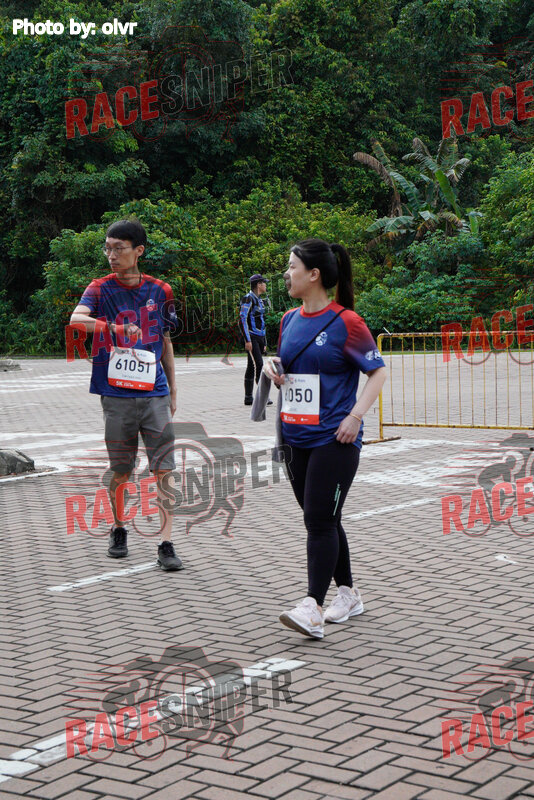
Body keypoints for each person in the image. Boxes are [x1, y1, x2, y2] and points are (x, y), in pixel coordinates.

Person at [263, 239, 387, 639]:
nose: (286, 273)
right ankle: (348, 594)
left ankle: (312, 607)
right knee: (323, 519)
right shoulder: (288, 319)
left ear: (314, 274)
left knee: (318, 521)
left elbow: (378, 372)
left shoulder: (347, 322)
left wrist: (355, 416)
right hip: (294, 437)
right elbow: (291, 369)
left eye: (291, 266)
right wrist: (273, 369)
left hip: (335, 439)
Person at [69, 219, 183, 571]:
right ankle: (119, 528)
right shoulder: (99, 288)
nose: (111, 255)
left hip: (155, 393)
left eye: (119, 248)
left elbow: (165, 340)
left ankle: (166, 543)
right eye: (108, 248)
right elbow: (76, 320)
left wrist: (173, 389)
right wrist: (115, 327)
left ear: (139, 251)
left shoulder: (161, 290)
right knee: (121, 470)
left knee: (164, 469)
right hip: (115, 395)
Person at [240, 274, 270, 405]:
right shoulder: (248, 298)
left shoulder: (260, 300)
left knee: (251, 366)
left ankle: (248, 397)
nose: (265, 285)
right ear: (258, 285)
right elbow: (242, 319)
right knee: (259, 365)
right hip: (251, 337)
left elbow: (262, 321)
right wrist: (247, 340)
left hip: (259, 337)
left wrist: (264, 341)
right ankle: (262, 397)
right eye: (264, 283)